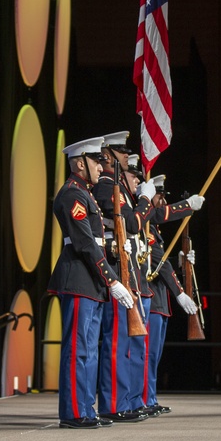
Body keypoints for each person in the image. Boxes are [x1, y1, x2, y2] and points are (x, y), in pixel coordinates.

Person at [48, 136, 135, 429]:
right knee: (78, 348)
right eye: (96, 162)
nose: (101, 166)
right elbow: (85, 243)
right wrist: (111, 280)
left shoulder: (85, 194)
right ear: (79, 164)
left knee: (90, 348)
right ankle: (73, 411)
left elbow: (96, 242)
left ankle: (86, 407)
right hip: (80, 277)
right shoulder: (73, 195)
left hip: (90, 280)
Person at [90, 131, 156, 423]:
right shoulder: (106, 187)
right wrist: (144, 201)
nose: (128, 157)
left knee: (130, 344)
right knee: (118, 343)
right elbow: (131, 222)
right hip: (118, 272)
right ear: (108, 156)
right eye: (122, 152)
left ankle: (127, 401)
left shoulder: (118, 188)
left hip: (131, 272)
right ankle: (113, 403)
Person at [141, 173, 204, 416]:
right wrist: (186, 206)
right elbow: (157, 263)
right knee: (146, 355)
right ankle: (144, 399)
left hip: (159, 299)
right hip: (152, 299)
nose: (162, 202)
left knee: (153, 356)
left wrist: (180, 263)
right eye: (159, 197)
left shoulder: (154, 229)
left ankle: (150, 397)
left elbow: (162, 264)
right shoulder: (147, 227)